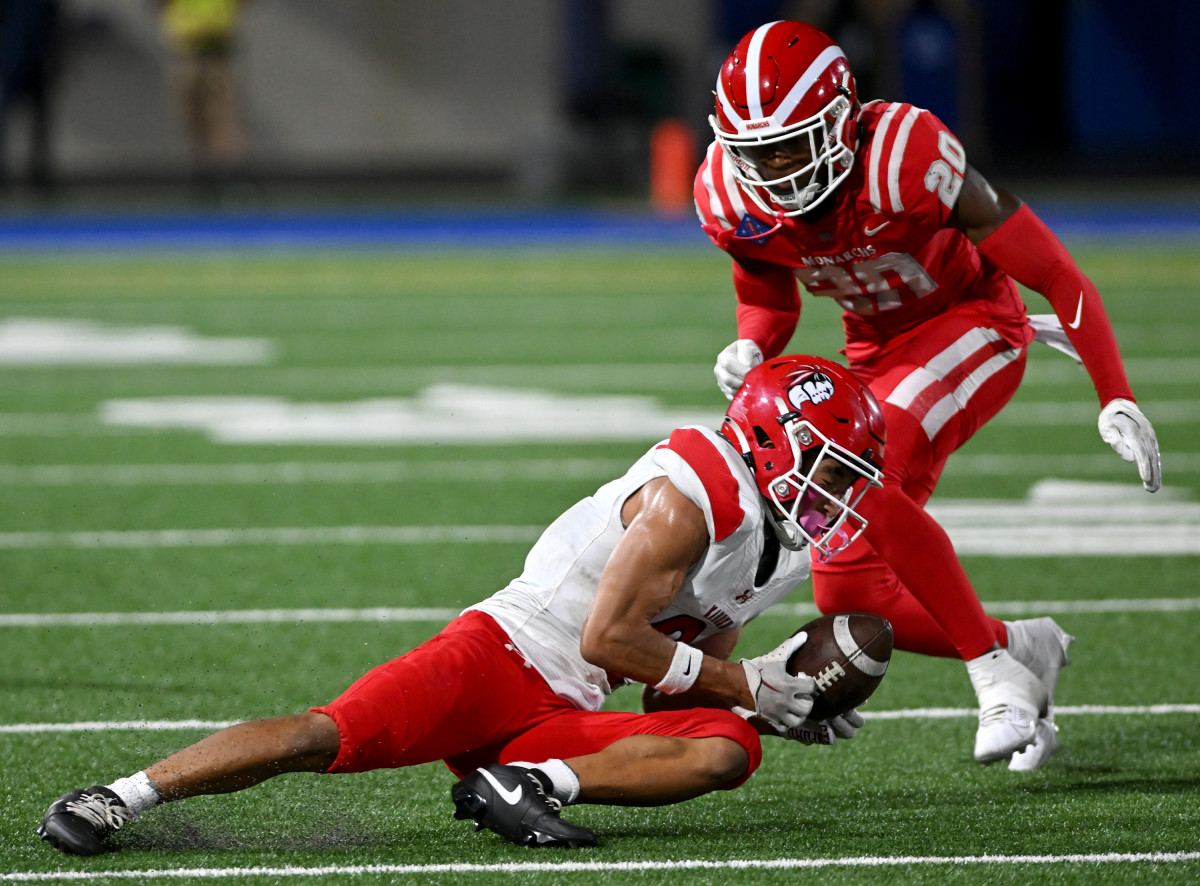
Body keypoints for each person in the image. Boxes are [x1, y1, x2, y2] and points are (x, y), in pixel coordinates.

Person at [39, 355, 888, 856]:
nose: (841, 491)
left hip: (564, 707)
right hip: (502, 656)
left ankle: (525, 784)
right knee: (320, 735)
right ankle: (121, 794)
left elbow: (668, 687)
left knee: (728, 751)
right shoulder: (689, 497)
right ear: (777, 439)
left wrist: (780, 700)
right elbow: (610, 633)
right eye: (836, 467)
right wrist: (747, 680)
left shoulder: (778, 542)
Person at [695, 20, 1161, 770]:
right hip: (872, 356)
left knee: (863, 462)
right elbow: (771, 301)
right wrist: (753, 343)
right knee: (844, 586)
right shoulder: (728, 191)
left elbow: (1055, 271)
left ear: (841, 125)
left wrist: (1115, 393)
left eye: (788, 145)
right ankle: (1021, 646)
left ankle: (993, 671)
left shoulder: (903, 158)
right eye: (753, 150)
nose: (771, 168)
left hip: (972, 323)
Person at [157, 0, 247, 167]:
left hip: (214, 55)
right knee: (194, 125)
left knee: (221, 123)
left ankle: (229, 177)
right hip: (187, 54)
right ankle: (206, 177)